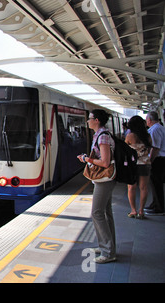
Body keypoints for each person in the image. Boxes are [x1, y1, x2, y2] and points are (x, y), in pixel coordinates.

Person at [77, 109, 116, 263]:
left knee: (97, 213)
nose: (88, 121)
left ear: (97, 120)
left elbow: (105, 162)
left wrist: (88, 160)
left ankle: (108, 252)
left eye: (90, 118)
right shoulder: (100, 135)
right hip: (103, 179)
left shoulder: (103, 137)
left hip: (105, 180)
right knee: (106, 213)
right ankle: (106, 246)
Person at [125, 116, 151, 219]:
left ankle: (133, 211)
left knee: (131, 187)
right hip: (145, 164)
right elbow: (149, 149)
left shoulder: (130, 136)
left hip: (133, 165)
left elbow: (125, 149)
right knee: (143, 188)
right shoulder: (148, 136)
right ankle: (141, 211)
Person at [145, 111, 165, 215]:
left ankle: (159, 208)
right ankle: (155, 204)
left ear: (149, 120)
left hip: (158, 160)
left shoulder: (155, 130)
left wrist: (150, 161)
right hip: (160, 159)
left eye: (146, 120)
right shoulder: (160, 127)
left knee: (156, 183)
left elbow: (155, 148)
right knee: (155, 183)